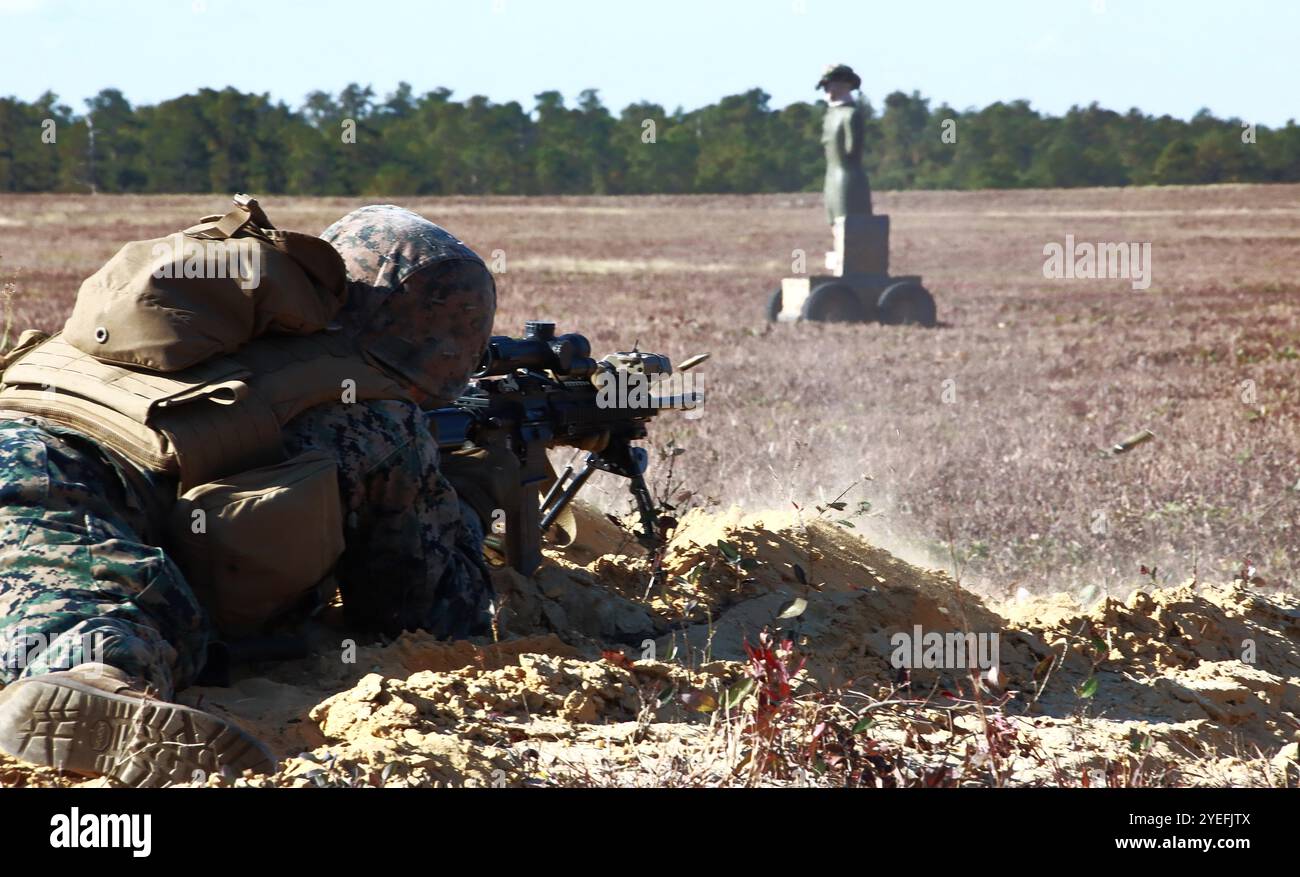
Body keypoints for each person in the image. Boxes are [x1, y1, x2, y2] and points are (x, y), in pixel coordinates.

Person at [0, 201, 496, 786]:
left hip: (23, 428)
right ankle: (87, 678)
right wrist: (464, 504)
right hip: (71, 475)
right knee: (117, 597)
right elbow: (427, 614)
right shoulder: (373, 417)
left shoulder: (205, 329)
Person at [818, 63, 873, 224]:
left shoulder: (851, 115)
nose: (827, 89)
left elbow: (852, 151)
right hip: (831, 182)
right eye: (825, 85)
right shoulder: (830, 115)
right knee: (835, 229)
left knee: (851, 231)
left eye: (829, 84)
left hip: (848, 183)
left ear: (845, 84)